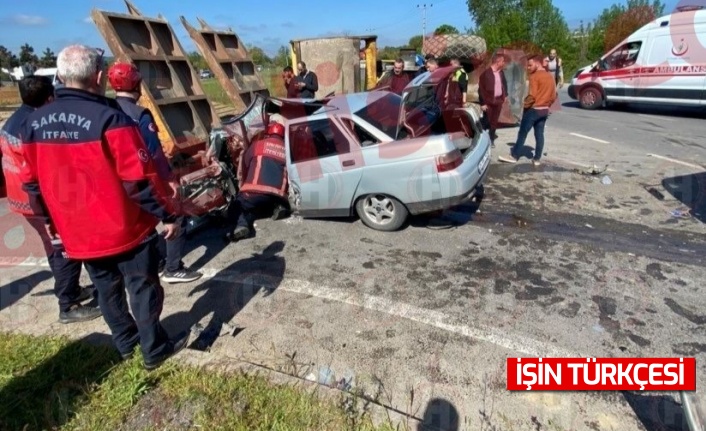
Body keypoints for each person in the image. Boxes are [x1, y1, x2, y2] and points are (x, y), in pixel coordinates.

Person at [19, 44, 189, 370]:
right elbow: (135, 183)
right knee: (141, 288)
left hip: (78, 234)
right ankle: (154, 350)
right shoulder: (111, 118)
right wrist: (166, 214)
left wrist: (50, 224)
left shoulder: (33, 123)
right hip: (126, 231)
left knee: (106, 291)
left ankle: (126, 345)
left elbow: (31, 184)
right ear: (99, 77)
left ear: (61, 76)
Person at [0, 75, 101, 324]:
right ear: (49, 98)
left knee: (53, 246)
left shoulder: (11, 122)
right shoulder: (35, 125)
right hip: (40, 201)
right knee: (64, 250)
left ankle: (72, 290)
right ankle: (68, 304)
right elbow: (44, 169)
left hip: (21, 199)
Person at [107, 61, 202, 284]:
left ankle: (157, 259)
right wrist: (169, 179)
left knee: (144, 220)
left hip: (121, 180)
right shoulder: (140, 114)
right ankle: (173, 267)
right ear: (136, 84)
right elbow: (154, 152)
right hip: (145, 176)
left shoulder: (108, 110)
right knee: (177, 213)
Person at [227, 120, 289, 241]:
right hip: (278, 194)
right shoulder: (286, 150)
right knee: (263, 203)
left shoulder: (258, 145)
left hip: (255, 191)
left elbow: (244, 164)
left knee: (236, 207)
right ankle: (278, 207)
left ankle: (242, 225)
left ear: (268, 133)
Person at [498, 54, 557, 166]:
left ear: (538, 63)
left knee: (522, 133)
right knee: (539, 134)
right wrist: (547, 104)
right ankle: (537, 158)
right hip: (544, 110)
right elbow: (554, 95)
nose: (528, 68)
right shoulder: (550, 76)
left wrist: (524, 105)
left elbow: (532, 96)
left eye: (530, 65)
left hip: (533, 110)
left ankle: (514, 155)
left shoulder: (534, 76)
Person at [478, 51, 508, 147]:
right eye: (503, 62)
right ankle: (480, 138)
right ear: (498, 62)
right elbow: (481, 90)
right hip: (488, 102)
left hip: (498, 101)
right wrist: (482, 103)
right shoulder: (486, 74)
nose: (504, 64)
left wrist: (505, 96)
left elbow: (504, 84)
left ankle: (491, 139)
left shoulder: (501, 73)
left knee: (494, 122)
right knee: (487, 121)